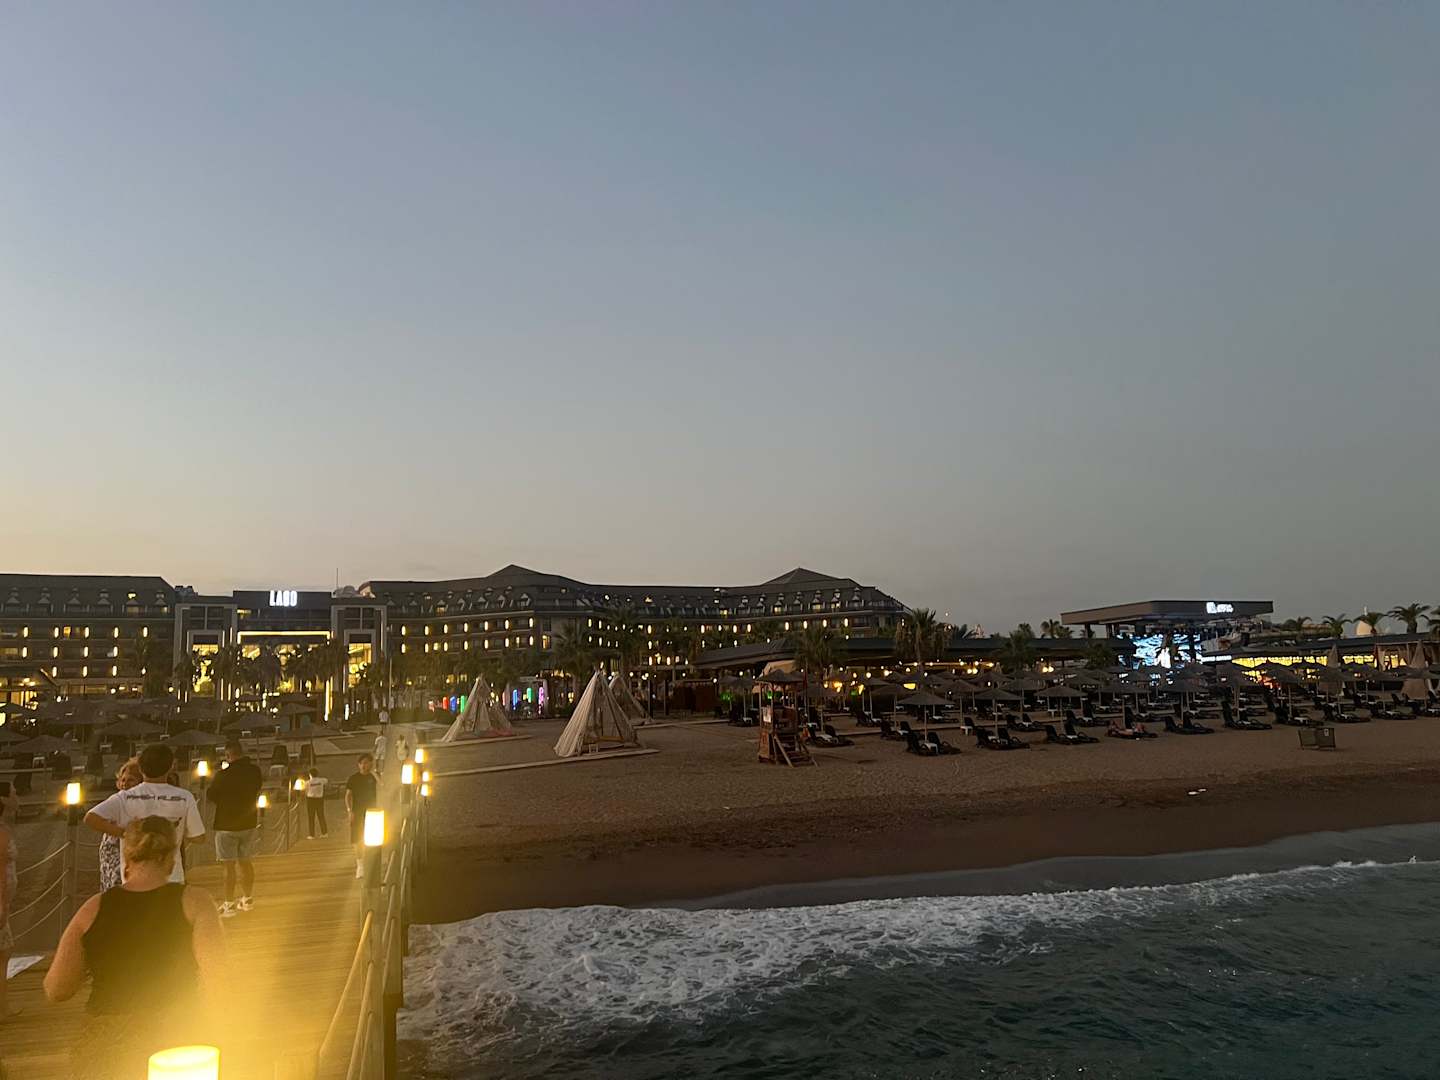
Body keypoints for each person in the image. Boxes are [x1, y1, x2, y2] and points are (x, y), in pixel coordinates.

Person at [45, 816, 228, 1080]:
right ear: (171, 858)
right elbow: (218, 978)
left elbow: (56, 989)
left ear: (126, 859)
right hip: (174, 1035)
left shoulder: (93, 908)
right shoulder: (195, 902)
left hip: (106, 1044)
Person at [84, 744, 205, 884]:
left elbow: (91, 818)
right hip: (171, 879)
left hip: (134, 880)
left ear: (141, 768)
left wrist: (125, 833)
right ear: (171, 767)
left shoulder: (124, 797)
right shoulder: (184, 797)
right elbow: (198, 837)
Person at [205, 739, 264, 917]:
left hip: (227, 824)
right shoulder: (254, 771)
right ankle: (247, 899)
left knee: (228, 866)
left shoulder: (223, 775)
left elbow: (212, 795)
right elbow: (258, 787)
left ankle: (229, 904)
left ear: (228, 755)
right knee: (246, 862)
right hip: (248, 822)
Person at [98, 758, 144, 891]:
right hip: (112, 851)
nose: (125, 784)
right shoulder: (117, 800)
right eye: (123, 780)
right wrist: (123, 833)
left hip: (130, 853)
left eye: (131, 780)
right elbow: (94, 818)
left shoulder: (143, 801)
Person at [0, 781, 19, 1022]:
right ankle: (2, 1008)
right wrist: (3, 905)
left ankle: (3, 1006)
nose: (17, 797)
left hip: (3, 901)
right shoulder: (1, 831)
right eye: (13, 793)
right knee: (3, 953)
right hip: (0, 901)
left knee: (4, 952)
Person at [345, 754, 378, 878]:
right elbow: (348, 796)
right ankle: (360, 865)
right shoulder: (353, 778)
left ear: (371, 764)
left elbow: (383, 787)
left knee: (372, 839)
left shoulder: (374, 777)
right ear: (358, 765)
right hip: (357, 811)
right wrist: (349, 811)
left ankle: (371, 863)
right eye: (361, 763)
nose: (364, 765)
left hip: (373, 812)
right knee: (357, 839)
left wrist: (375, 774)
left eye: (366, 763)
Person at [303, 768, 328, 838]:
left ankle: (311, 834)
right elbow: (326, 781)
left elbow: (305, 791)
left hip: (310, 800)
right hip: (319, 799)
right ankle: (324, 833)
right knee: (321, 816)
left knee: (311, 817)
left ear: (310, 774)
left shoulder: (307, 782)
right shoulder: (322, 780)